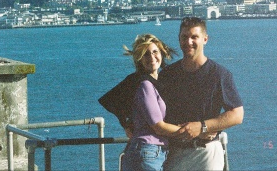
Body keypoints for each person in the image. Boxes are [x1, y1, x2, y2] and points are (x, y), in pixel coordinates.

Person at [158, 17, 244, 171]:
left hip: (207, 153)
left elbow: (237, 114)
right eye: (184, 37)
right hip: (173, 153)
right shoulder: (167, 75)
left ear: (205, 39)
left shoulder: (219, 74)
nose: (189, 41)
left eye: (194, 37)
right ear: (179, 39)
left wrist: (202, 127)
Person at [98, 34, 182, 171]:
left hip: (151, 152)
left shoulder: (155, 82)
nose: (152, 58)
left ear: (162, 52)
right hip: (147, 153)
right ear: (140, 60)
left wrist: (126, 124)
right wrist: (195, 131)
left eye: (155, 52)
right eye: (146, 54)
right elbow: (158, 127)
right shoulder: (145, 84)